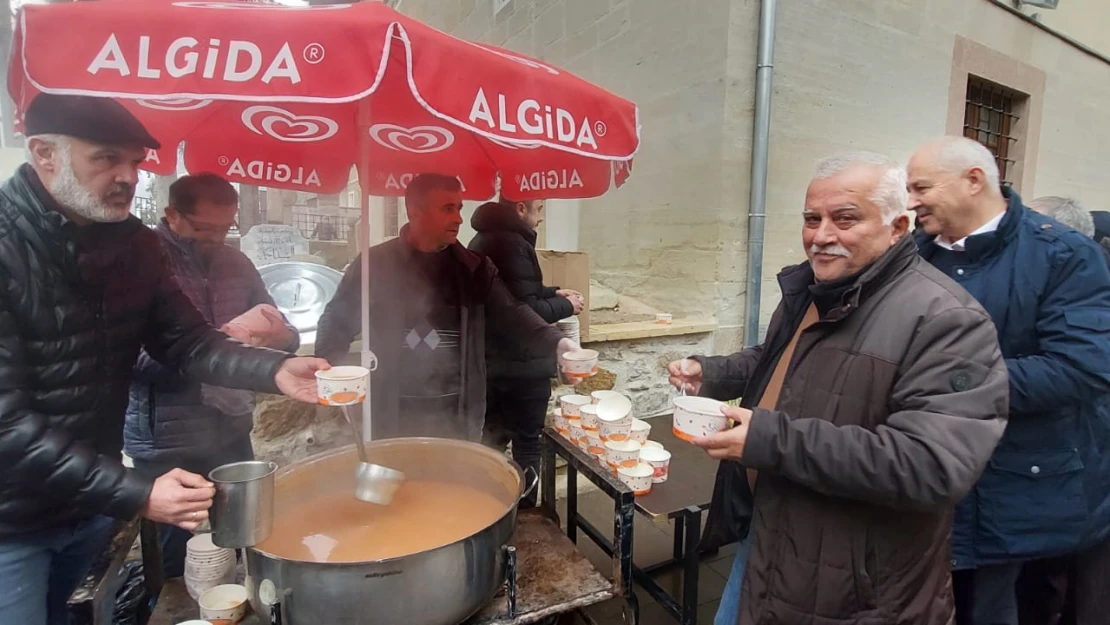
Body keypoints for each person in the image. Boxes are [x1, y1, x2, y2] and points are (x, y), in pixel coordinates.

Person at [0, 94, 328, 625]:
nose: (127, 177)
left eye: (135, 162)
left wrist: (273, 369)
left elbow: (188, 342)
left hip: (89, 504)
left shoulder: (131, 246)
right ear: (44, 153)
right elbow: (6, 424)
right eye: (106, 158)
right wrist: (136, 490)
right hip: (11, 522)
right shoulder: (7, 247)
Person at [669, 152, 1008, 625]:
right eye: (812, 219)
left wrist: (769, 440)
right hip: (772, 531)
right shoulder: (813, 289)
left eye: (845, 219)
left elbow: (931, 466)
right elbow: (778, 360)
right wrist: (711, 372)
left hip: (855, 583)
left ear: (897, 226)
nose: (822, 235)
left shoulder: (947, 320)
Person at [907, 137, 1110, 625]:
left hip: (1012, 488)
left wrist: (947, 385)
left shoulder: (1064, 255)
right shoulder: (914, 255)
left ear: (973, 181)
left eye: (921, 187)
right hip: (925, 474)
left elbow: (1080, 367)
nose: (910, 201)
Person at [124, 173, 300, 579]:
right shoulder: (140, 262)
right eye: (207, 228)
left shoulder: (236, 263)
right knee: (171, 555)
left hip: (230, 426)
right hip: (165, 437)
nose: (218, 238)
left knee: (243, 533)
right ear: (172, 215)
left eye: (227, 228)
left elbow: (283, 333)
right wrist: (224, 338)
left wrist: (281, 336)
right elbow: (127, 359)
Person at [315, 174, 576, 442]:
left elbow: (514, 315)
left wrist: (558, 344)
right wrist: (332, 372)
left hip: (457, 420)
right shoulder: (375, 265)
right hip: (389, 418)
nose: (459, 219)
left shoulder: (473, 268)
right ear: (415, 211)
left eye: (459, 208)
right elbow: (336, 320)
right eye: (447, 209)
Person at [467, 195, 583, 508]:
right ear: (520, 208)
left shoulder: (485, 237)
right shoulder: (512, 243)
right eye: (539, 209)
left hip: (494, 365)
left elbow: (516, 292)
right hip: (522, 366)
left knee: (492, 442)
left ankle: (485, 507)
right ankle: (528, 515)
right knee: (528, 444)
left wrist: (553, 292)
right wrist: (565, 306)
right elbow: (523, 310)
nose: (541, 217)